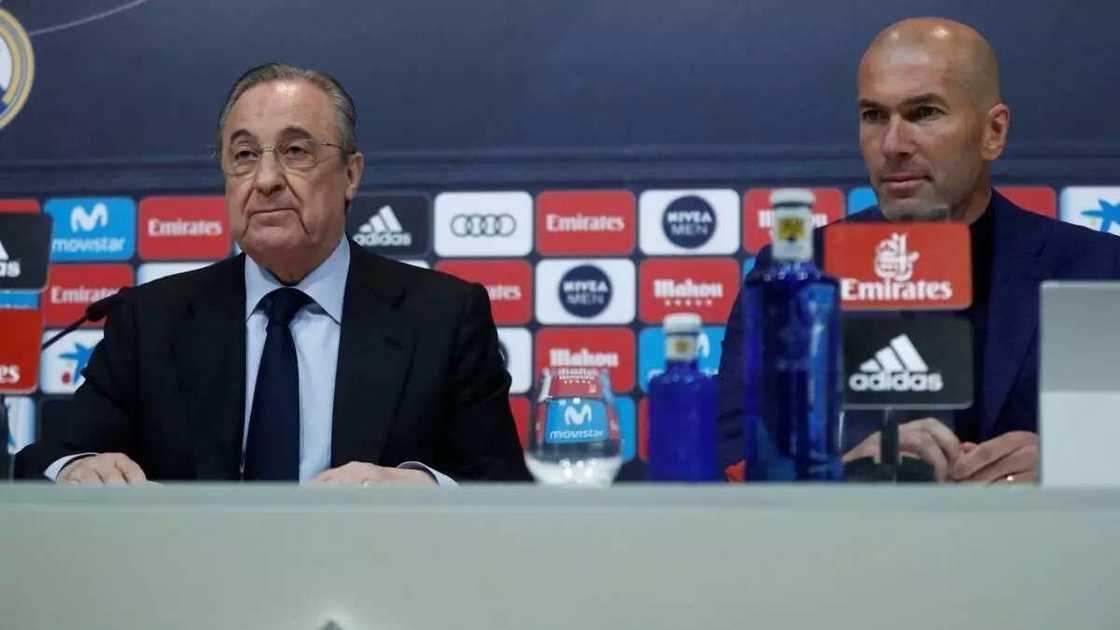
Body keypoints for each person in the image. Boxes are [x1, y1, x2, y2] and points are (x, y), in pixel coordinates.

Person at [16, 64, 530, 484]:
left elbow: (503, 484)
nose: (264, 180)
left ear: (351, 175)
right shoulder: (149, 320)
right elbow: (48, 458)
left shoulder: (442, 315)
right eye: (243, 156)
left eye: (296, 151)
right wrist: (79, 470)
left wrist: (422, 488)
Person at [718, 18, 1120, 484]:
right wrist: (843, 470)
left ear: (994, 132)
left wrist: (1076, 461)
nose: (893, 145)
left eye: (924, 113)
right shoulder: (795, 276)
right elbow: (729, 457)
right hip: (859, 550)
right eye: (873, 116)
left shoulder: (1098, 268)